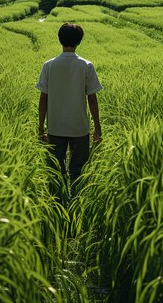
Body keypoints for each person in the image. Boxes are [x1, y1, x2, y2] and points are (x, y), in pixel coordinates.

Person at [36, 23, 102, 198]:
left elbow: (43, 98)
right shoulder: (86, 66)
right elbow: (92, 98)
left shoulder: (49, 65)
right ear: (79, 41)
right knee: (78, 172)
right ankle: (76, 206)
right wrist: (98, 127)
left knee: (56, 173)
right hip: (79, 127)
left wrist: (41, 127)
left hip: (55, 127)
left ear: (60, 40)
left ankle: (57, 207)